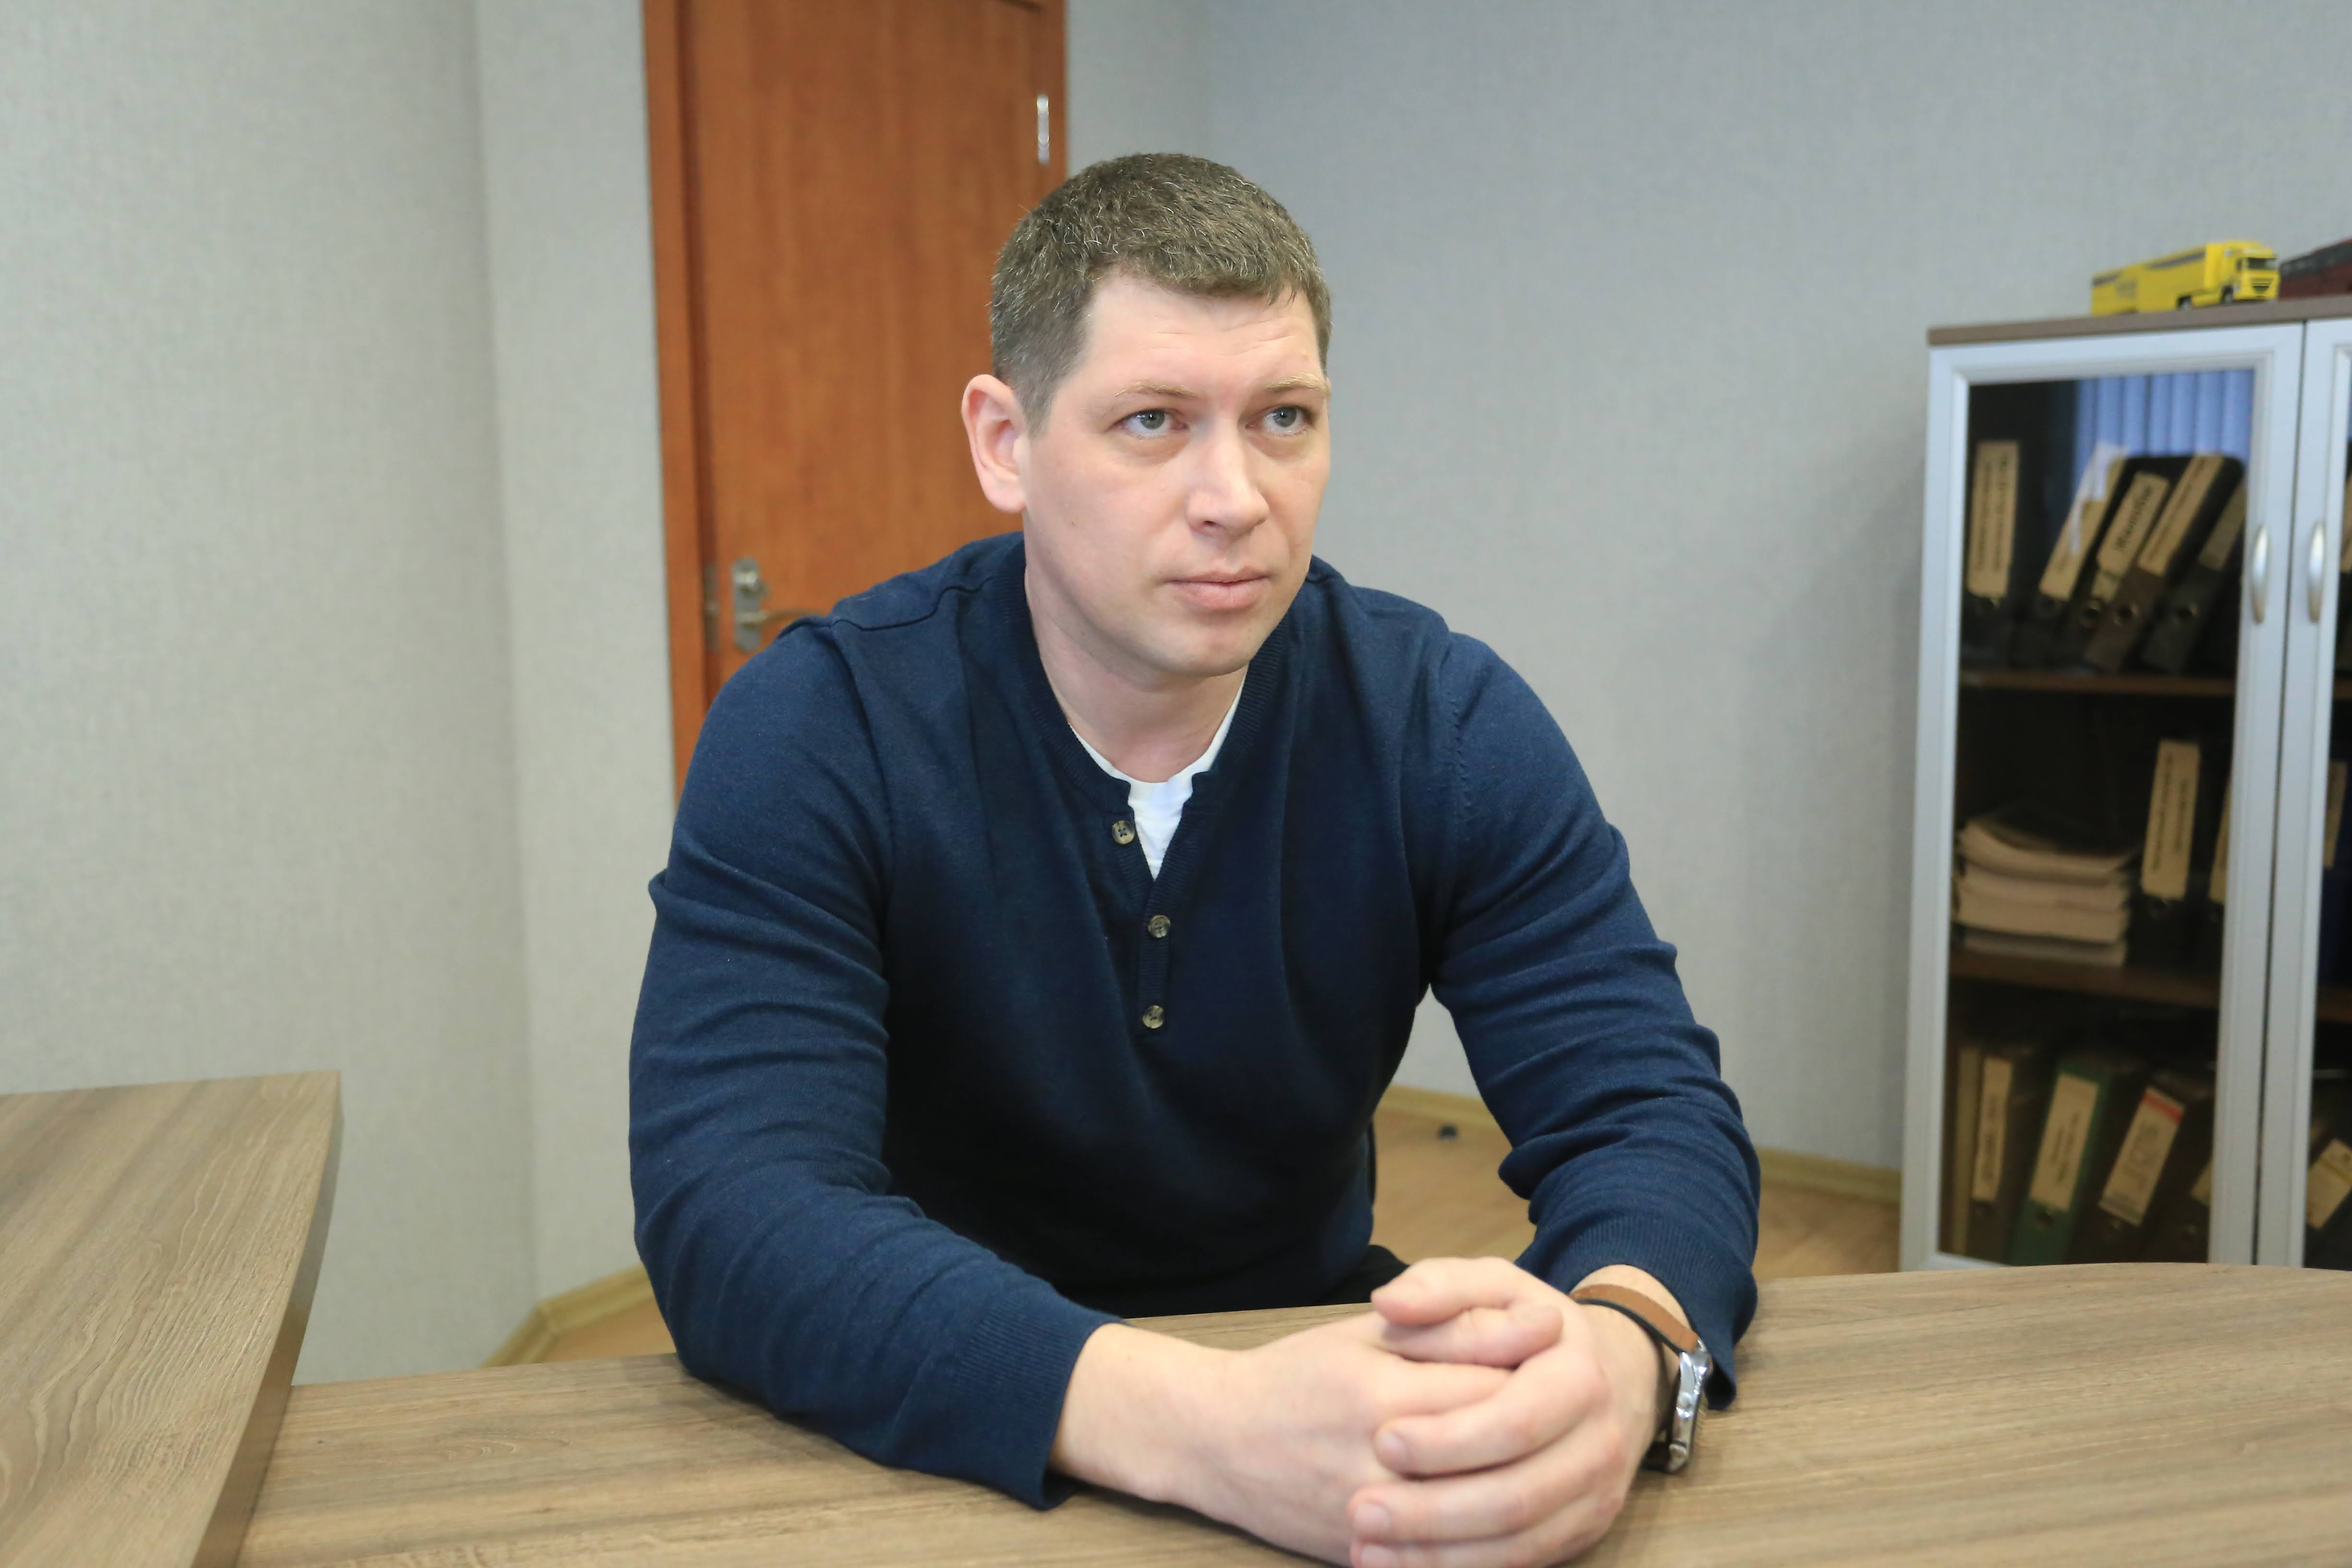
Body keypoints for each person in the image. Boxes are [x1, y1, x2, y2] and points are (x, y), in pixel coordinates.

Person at [630, 152, 1758, 1567]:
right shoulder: (820, 726)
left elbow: (1647, 1108)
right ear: (1005, 442)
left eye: (1283, 418)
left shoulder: (1440, 720)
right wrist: (1203, 1425)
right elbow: (737, 1205)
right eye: (1152, 422)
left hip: (1318, 1393)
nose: (1235, 497)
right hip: (923, 1424)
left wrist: (1625, 1356)